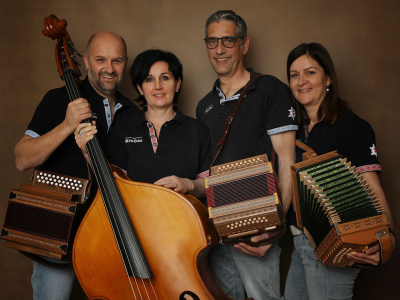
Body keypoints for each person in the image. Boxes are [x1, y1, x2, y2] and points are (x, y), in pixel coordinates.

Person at [14, 31, 139, 300]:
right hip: (59, 233)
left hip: (107, 238)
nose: (109, 68)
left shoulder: (134, 112)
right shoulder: (59, 100)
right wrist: (66, 125)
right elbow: (22, 158)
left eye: (117, 61)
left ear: (125, 63)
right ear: (84, 60)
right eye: (100, 59)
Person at [196, 10, 297, 300]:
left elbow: (287, 160)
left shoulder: (271, 90)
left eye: (228, 40)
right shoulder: (203, 106)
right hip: (216, 232)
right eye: (212, 41)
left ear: (245, 44)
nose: (219, 49)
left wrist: (274, 230)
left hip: (258, 227)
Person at [284, 42, 396, 300]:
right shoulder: (295, 130)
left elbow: (372, 189)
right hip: (299, 244)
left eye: (310, 72)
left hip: (334, 244)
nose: (301, 81)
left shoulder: (352, 127)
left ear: (328, 79)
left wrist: (387, 238)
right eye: (294, 74)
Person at [75, 49, 211, 198]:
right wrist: (87, 152)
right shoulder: (122, 129)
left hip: (183, 218)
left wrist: (188, 184)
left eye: (165, 78)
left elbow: (208, 186)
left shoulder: (198, 130)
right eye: (149, 79)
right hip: (135, 218)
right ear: (140, 88)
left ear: (177, 84)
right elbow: (112, 182)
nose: (158, 86)